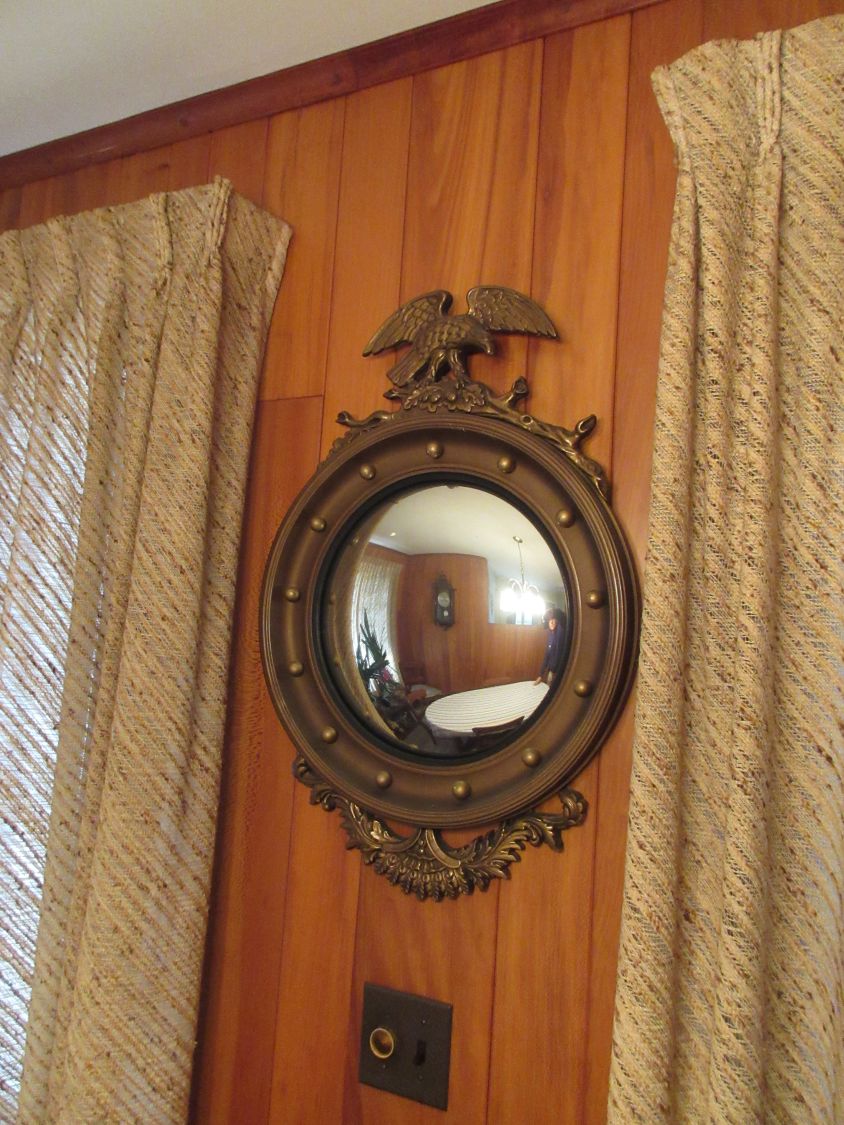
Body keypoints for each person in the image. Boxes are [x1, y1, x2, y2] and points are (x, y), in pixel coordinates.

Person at [534, 607, 564, 685]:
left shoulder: (560, 632)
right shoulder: (550, 635)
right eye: (550, 620)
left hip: (560, 671)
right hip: (551, 671)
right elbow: (547, 656)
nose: (552, 622)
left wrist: (552, 611)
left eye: (554, 619)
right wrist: (540, 675)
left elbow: (561, 617)